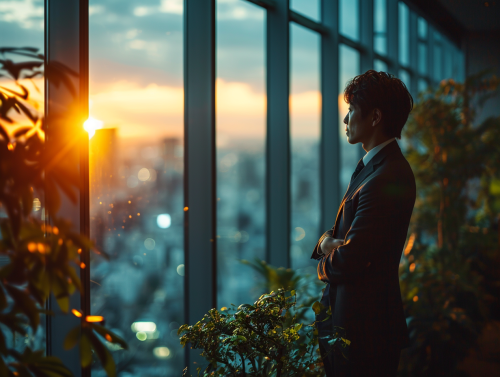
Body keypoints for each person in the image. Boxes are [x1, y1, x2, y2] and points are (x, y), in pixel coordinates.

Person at [312, 70, 416, 377]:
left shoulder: (386, 177)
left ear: (374, 117)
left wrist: (325, 254)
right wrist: (327, 243)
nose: (345, 120)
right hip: (358, 323)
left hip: (365, 330)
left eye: (351, 111)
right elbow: (341, 239)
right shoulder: (375, 167)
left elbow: (350, 259)